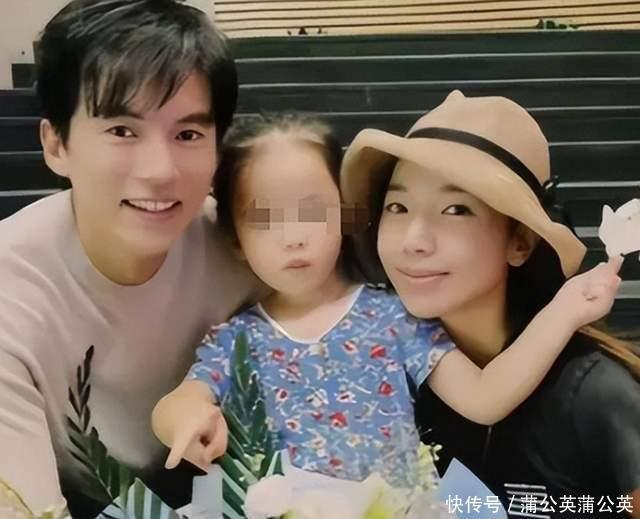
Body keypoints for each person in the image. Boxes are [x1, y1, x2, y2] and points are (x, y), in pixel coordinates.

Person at [151, 112, 620, 488]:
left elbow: (484, 397)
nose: (293, 237)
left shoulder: (395, 317)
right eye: (264, 219)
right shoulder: (235, 339)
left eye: (312, 212)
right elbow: (179, 401)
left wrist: (566, 309)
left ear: (345, 215)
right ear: (235, 239)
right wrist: (185, 420)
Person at [0, 0, 261, 515]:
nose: (160, 170)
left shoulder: (248, 248)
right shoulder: (11, 292)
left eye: (188, 134)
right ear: (56, 144)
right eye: (122, 130)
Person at [339, 90, 640, 518]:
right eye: (397, 206)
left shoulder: (593, 395)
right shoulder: (389, 376)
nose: (413, 241)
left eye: (455, 209)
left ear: (520, 242)